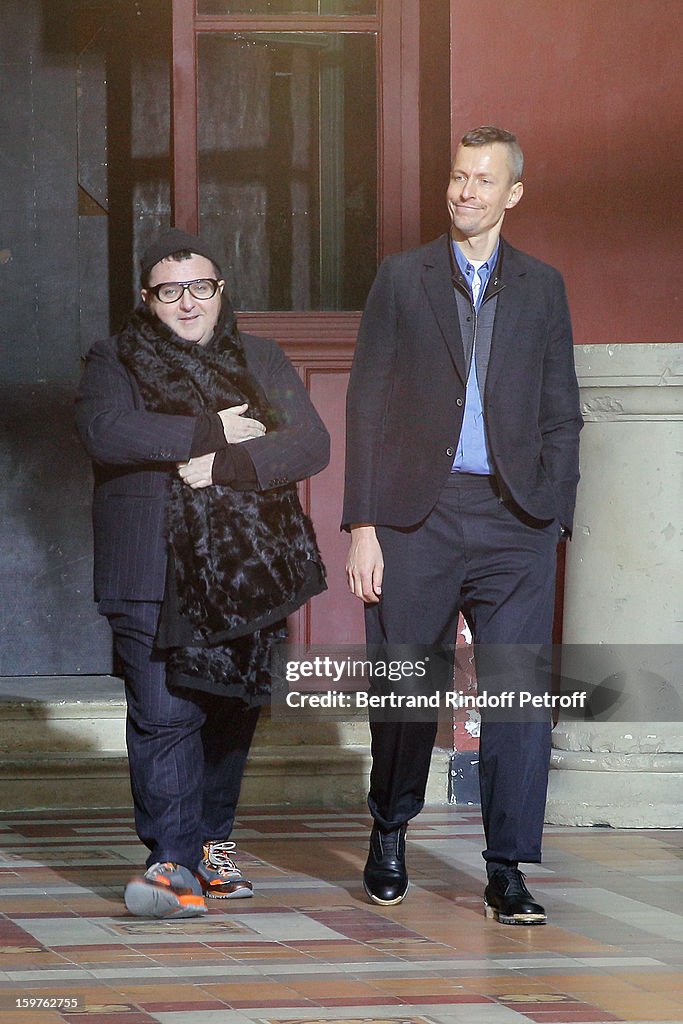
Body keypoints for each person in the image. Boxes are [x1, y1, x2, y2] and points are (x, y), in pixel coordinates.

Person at [343, 126, 582, 925]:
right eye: (457, 177)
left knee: (517, 696)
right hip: (418, 515)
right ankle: (389, 831)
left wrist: (553, 516)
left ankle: (507, 866)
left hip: (516, 520)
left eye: (483, 180)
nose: (465, 191)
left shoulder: (543, 286)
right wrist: (362, 525)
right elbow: (366, 403)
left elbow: (561, 410)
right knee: (408, 687)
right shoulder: (401, 279)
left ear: (512, 194)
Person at [76, 228, 329, 919]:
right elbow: (106, 432)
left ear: (219, 291)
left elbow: (308, 443)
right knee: (163, 715)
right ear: (147, 298)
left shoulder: (262, 357)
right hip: (149, 566)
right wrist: (211, 430)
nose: (186, 303)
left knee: (228, 712)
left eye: (199, 287)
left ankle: (210, 842)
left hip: (247, 569)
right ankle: (170, 863)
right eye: (169, 290)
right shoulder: (113, 357)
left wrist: (221, 467)